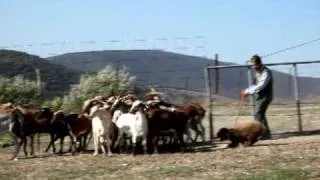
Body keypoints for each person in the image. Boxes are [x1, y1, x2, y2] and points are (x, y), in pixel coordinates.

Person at [241, 55, 273, 140]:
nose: (254, 68)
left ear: (259, 63)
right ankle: (264, 132)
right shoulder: (258, 72)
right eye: (252, 66)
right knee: (259, 114)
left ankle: (264, 133)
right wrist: (247, 90)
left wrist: (247, 92)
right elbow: (255, 85)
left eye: (255, 65)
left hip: (266, 96)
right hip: (259, 96)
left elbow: (261, 86)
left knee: (258, 113)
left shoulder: (266, 72)